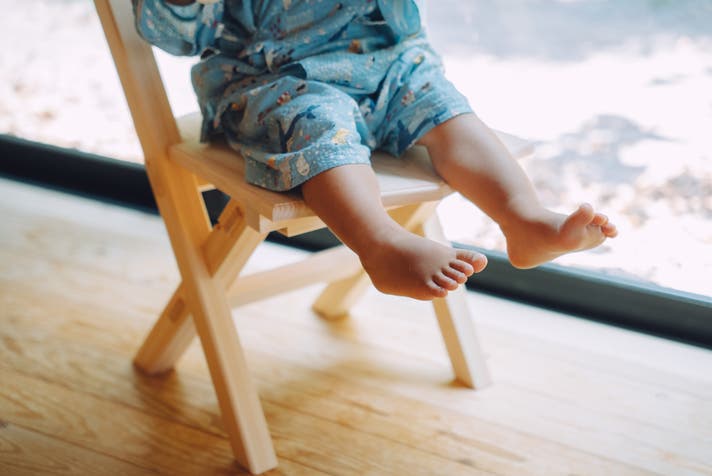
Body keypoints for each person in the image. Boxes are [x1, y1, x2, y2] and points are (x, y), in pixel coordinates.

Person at [133, 0, 617, 300]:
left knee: (445, 111)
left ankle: (524, 219)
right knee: (319, 125)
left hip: (389, 64)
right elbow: (179, 32)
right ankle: (380, 243)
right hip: (277, 81)